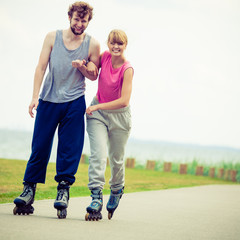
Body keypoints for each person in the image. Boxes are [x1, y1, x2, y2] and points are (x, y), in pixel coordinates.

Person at [13, 1, 100, 219]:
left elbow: (93, 73)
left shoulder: (92, 45)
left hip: (74, 101)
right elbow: (41, 67)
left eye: (84, 20)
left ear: (89, 22)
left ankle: (63, 191)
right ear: (69, 17)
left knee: (69, 149)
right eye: (77, 19)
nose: (80, 24)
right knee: (40, 145)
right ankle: (28, 190)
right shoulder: (52, 37)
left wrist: (82, 66)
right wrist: (34, 97)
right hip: (49, 99)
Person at [84, 29, 134, 221]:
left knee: (116, 159)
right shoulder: (104, 57)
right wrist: (86, 64)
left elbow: (124, 100)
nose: (115, 46)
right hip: (98, 114)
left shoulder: (127, 69)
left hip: (120, 117)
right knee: (98, 154)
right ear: (108, 44)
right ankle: (96, 196)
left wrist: (99, 106)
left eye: (119, 43)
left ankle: (116, 188)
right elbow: (92, 67)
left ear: (125, 46)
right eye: (112, 43)